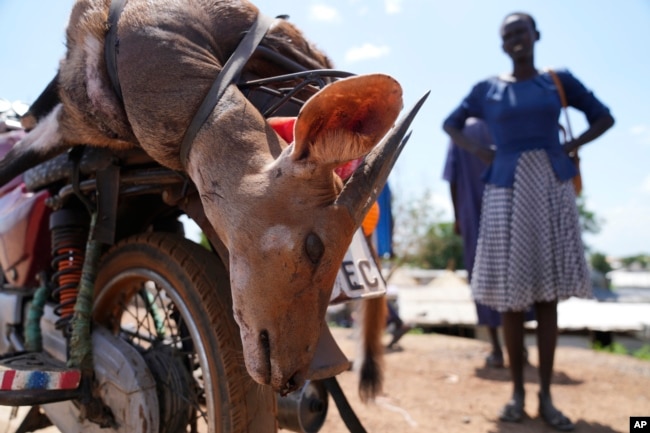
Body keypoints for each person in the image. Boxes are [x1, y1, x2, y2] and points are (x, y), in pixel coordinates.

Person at [442, 12, 614, 432]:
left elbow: (603, 116)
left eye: (521, 31)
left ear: (536, 35)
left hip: (551, 186)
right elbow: (450, 124)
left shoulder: (557, 81)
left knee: (547, 298)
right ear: (502, 44)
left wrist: (569, 145)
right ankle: (517, 393)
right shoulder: (488, 88)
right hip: (504, 189)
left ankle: (547, 397)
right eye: (508, 35)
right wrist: (483, 153)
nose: (516, 39)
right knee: (510, 298)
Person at [442, 117, 505, 367]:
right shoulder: (502, 123)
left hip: (473, 215)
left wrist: (458, 216)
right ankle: (518, 345)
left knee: (482, 277)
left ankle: (497, 348)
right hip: (508, 211)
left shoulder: (460, 132)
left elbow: (452, 178)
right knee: (513, 274)